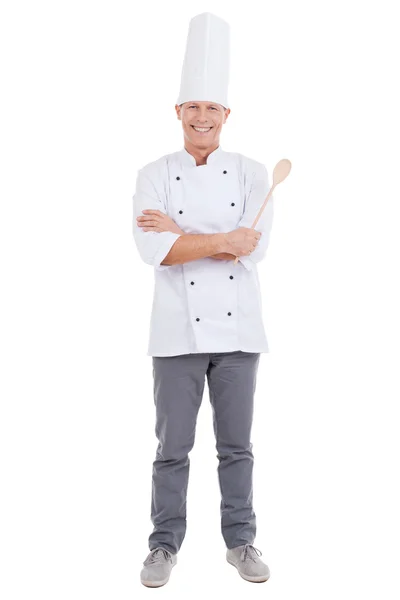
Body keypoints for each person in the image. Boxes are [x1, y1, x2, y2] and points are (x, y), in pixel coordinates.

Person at [132, 12, 274, 587]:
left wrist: (184, 235)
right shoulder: (153, 174)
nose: (202, 116)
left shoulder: (253, 172)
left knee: (236, 447)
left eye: (212, 107)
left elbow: (255, 251)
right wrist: (223, 241)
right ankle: (163, 545)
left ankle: (241, 541)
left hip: (240, 336)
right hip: (174, 335)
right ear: (178, 112)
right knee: (172, 448)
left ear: (225, 115)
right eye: (193, 106)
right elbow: (153, 251)